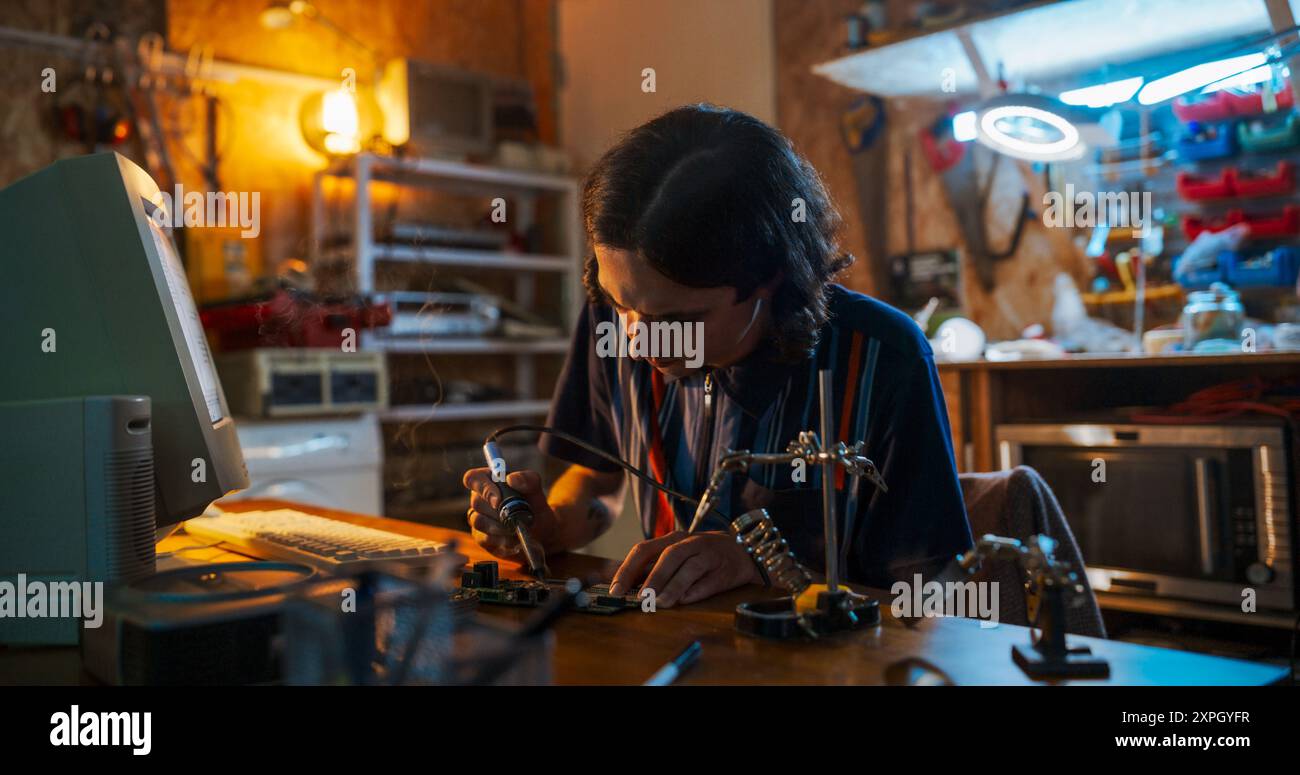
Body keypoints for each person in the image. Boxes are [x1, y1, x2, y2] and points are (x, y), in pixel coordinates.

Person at [463, 104, 972, 607]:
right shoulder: (613, 318)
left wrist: (763, 568)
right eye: (622, 304)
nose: (640, 343)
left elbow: (936, 598)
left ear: (771, 279)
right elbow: (596, 482)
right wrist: (549, 525)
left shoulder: (882, 360)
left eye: (677, 321)